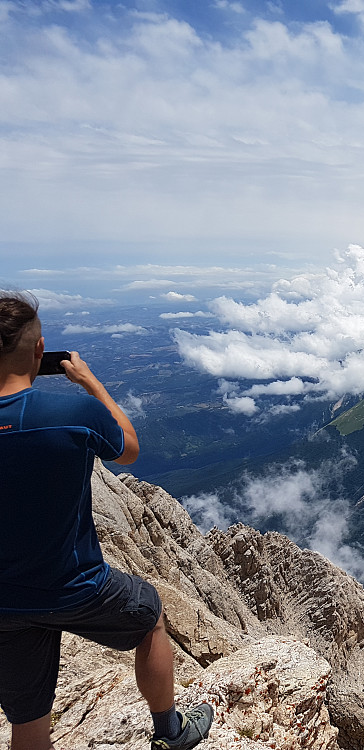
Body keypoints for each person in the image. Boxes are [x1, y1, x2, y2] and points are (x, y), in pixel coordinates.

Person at [0, 291, 213, 750]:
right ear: (40, 352)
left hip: (2, 602)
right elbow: (129, 450)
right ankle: (170, 733)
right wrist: (90, 382)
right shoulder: (71, 416)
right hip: (73, 585)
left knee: (29, 724)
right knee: (151, 613)